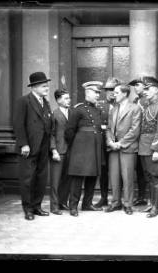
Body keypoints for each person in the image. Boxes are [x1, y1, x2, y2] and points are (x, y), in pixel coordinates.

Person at [13, 72, 52, 220]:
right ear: (34, 87)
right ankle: (28, 209)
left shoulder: (46, 103)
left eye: (47, 85)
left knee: (41, 178)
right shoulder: (23, 101)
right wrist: (24, 144)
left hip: (43, 146)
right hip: (28, 147)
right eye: (43, 86)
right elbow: (18, 124)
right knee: (28, 179)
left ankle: (37, 207)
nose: (47, 88)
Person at [65, 81, 104, 216]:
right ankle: (73, 206)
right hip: (80, 148)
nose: (98, 95)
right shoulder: (78, 109)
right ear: (87, 93)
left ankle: (87, 204)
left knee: (92, 176)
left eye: (99, 93)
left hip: (95, 147)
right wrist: (75, 146)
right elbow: (69, 130)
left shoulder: (98, 110)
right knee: (77, 177)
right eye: (95, 92)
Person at [104, 84, 142, 215]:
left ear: (125, 94)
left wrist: (120, 143)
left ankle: (128, 204)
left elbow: (135, 130)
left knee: (127, 177)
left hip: (127, 148)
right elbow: (109, 128)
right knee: (114, 177)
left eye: (116, 92)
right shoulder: (113, 109)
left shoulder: (135, 108)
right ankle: (115, 203)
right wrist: (109, 141)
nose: (114, 94)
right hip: (113, 148)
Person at [138, 77, 158, 217]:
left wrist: (157, 149)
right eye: (144, 89)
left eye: (148, 89)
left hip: (153, 148)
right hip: (143, 147)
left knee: (156, 177)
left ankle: (156, 208)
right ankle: (151, 204)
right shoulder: (147, 106)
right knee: (149, 177)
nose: (145, 92)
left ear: (156, 90)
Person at [94, 77, 120, 208]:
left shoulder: (122, 105)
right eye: (108, 90)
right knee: (103, 172)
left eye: (113, 89)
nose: (111, 92)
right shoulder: (99, 105)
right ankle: (104, 198)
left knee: (118, 172)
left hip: (117, 144)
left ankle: (118, 198)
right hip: (103, 144)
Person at [128, 76, 149, 206]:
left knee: (146, 170)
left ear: (144, 86)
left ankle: (146, 197)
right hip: (136, 139)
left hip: (145, 139)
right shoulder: (136, 100)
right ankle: (141, 196)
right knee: (139, 170)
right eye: (134, 86)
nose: (135, 88)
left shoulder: (146, 100)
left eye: (138, 85)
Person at [50, 89, 71, 215]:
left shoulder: (72, 112)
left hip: (70, 151)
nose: (69, 100)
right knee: (55, 181)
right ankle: (54, 206)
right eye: (65, 98)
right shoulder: (54, 114)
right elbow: (51, 134)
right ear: (58, 100)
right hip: (58, 151)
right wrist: (53, 150)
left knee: (67, 179)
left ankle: (63, 202)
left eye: (69, 98)